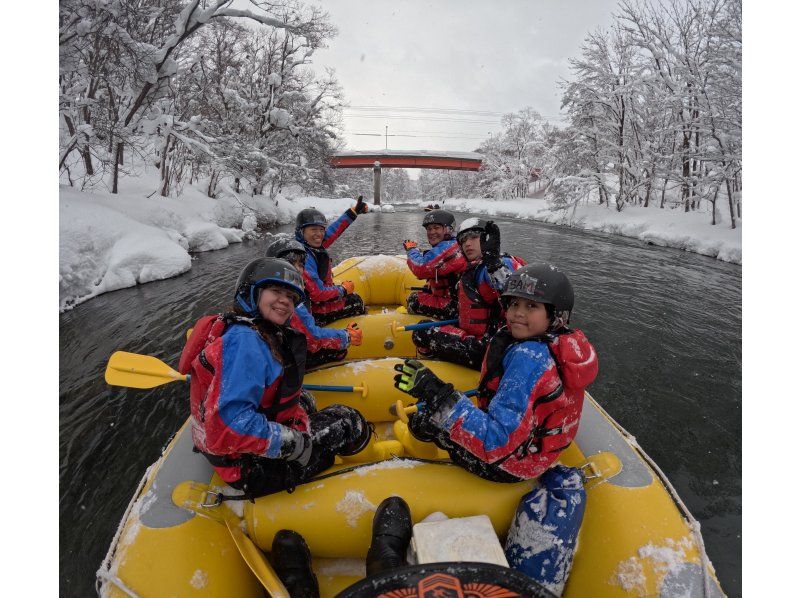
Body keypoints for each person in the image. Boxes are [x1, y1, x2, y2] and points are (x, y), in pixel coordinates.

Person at [179, 257, 371, 499]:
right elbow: (229, 426)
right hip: (247, 467)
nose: (285, 300)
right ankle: (362, 465)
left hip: (231, 453)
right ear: (252, 293)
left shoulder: (243, 328)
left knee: (305, 400)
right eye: (276, 291)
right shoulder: (245, 342)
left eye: (290, 296)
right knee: (349, 420)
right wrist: (294, 443)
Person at [394, 263, 599, 483]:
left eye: (531, 306)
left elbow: (495, 442)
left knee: (424, 419)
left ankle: (418, 456)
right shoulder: (560, 344)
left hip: (509, 463)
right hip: (534, 452)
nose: (518, 313)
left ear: (556, 315)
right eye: (514, 304)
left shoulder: (529, 360)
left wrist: (436, 394)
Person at [411, 218, 525, 369]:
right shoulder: (475, 266)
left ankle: (435, 364)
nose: (468, 244)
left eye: (474, 237)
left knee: (421, 332)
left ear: (487, 239)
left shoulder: (496, 266)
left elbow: (514, 293)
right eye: (463, 240)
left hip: (490, 348)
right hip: (486, 338)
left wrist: (495, 267)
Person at [266, 236, 362, 368]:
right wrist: (346, 336)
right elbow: (313, 338)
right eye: (291, 263)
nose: (298, 269)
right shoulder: (289, 302)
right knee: (338, 351)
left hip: (279, 349)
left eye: (301, 265)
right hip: (286, 359)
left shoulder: (266, 291)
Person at [295, 197, 369, 326]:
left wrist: (353, 212)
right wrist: (342, 290)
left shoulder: (310, 244)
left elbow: (334, 230)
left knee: (350, 296)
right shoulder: (303, 258)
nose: (319, 234)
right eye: (313, 229)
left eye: (321, 229)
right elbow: (317, 293)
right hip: (313, 312)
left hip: (316, 303)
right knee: (356, 301)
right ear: (301, 232)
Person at [402, 209, 467, 320]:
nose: (432, 232)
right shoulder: (455, 244)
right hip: (458, 302)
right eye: (429, 229)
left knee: (414, 300)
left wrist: (411, 250)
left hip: (457, 307)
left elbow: (421, 268)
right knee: (426, 289)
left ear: (448, 229)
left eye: (436, 228)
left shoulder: (448, 248)